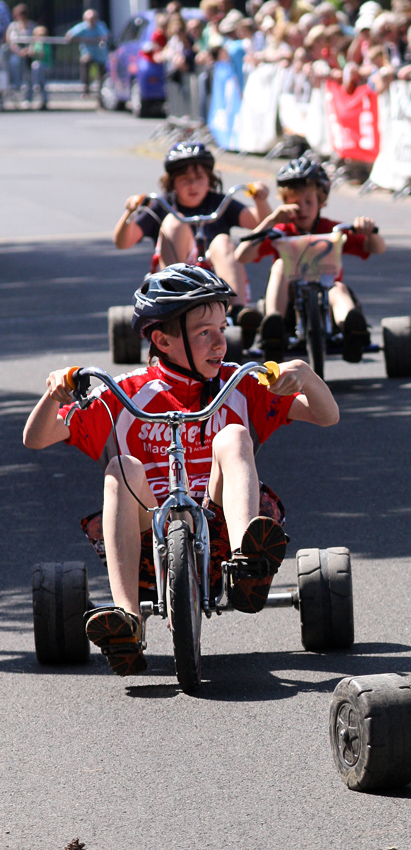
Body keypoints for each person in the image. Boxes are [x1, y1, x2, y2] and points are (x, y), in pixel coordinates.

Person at [22, 264, 339, 677]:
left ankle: (250, 561)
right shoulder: (123, 392)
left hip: (220, 526)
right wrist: (53, 396)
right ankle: (127, 618)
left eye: (223, 329)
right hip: (144, 537)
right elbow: (37, 438)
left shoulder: (240, 383)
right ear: (163, 340)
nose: (220, 343)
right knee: (121, 467)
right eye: (205, 332)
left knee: (234, 436)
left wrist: (306, 375)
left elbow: (326, 415)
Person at [113, 140, 271, 343]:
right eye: (185, 179)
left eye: (199, 178)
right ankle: (174, 305)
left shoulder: (219, 203)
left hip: (216, 281)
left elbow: (262, 224)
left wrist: (260, 200)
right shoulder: (162, 205)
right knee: (175, 224)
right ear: (172, 182)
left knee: (222, 241)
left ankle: (237, 313)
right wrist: (130, 212)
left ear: (210, 179)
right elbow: (122, 242)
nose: (193, 185)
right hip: (173, 282)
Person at [234, 157, 385, 364]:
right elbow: (241, 255)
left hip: (328, 293)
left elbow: (376, 248)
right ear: (285, 204)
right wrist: (270, 221)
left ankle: (351, 327)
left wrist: (369, 233)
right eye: (295, 203)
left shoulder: (332, 230)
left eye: (308, 202)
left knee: (338, 289)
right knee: (280, 265)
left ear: (321, 201)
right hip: (288, 300)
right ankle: (273, 326)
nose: (302, 208)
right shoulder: (281, 231)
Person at [65, 9, 110, 102]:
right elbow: (69, 36)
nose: (92, 21)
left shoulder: (100, 26)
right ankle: (86, 89)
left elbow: (105, 36)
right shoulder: (82, 27)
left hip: (100, 55)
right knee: (85, 62)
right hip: (88, 54)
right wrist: (83, 39)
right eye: (90, 19)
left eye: (94, 18)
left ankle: (101, 92)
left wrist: (93, 40)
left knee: (102, 74)